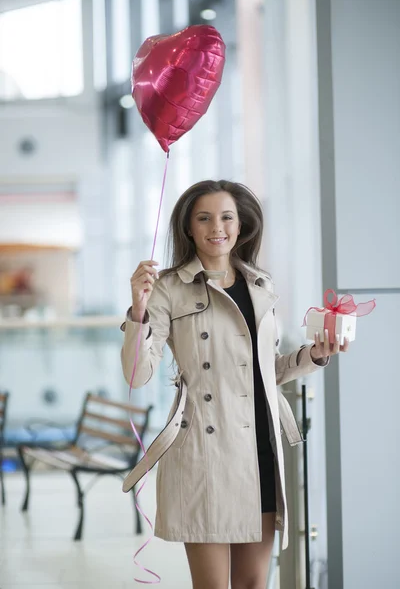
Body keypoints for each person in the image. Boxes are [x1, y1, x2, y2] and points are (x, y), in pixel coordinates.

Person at [121, 180, 349, 589]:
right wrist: (138, 312)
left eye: (226, 217)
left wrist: (313, 356)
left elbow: (263, 371)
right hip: (204, 451)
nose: (217, 227)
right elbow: (138, 374)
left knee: (253, 584)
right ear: (188, 228)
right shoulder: (168, 289)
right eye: (203, 218)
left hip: (259, 447)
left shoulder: (261, 284)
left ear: (241, 225)